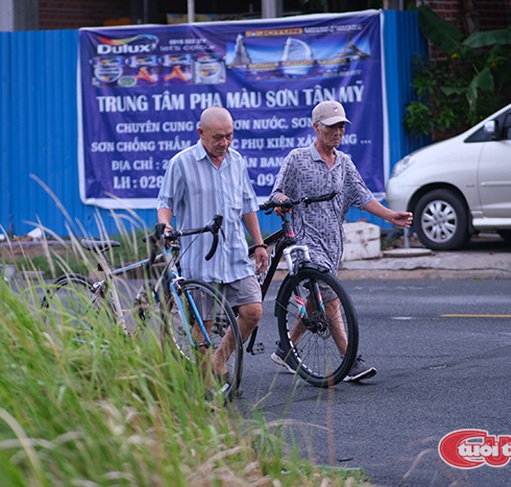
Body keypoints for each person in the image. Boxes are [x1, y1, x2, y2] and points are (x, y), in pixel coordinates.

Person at [269, 100, 413, 382]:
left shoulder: (344, 163)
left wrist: (390, 216)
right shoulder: (297, 159)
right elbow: (278, 193)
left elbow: (363, 195)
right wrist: (282, 201)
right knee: (330, 298)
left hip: (333, 242)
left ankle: (286, 349)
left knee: (317, 297)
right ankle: (351, 361)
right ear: (316, 128)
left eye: (342, 128)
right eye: (332, 127)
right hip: (305, 240)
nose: (338, 132)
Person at [157, 106, 269, 396]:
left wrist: (258, 243)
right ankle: (207, 387)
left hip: (234, 253)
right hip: (201, 256)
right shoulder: (181, 163)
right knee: (203, 325)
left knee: (253, 311)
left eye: (230, 136)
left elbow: (247, 205)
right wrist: (165, 225)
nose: (225, 143)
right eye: (218, 137)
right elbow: (165, 202)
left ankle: (219, 360)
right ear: (201, 134)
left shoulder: (237, 161)